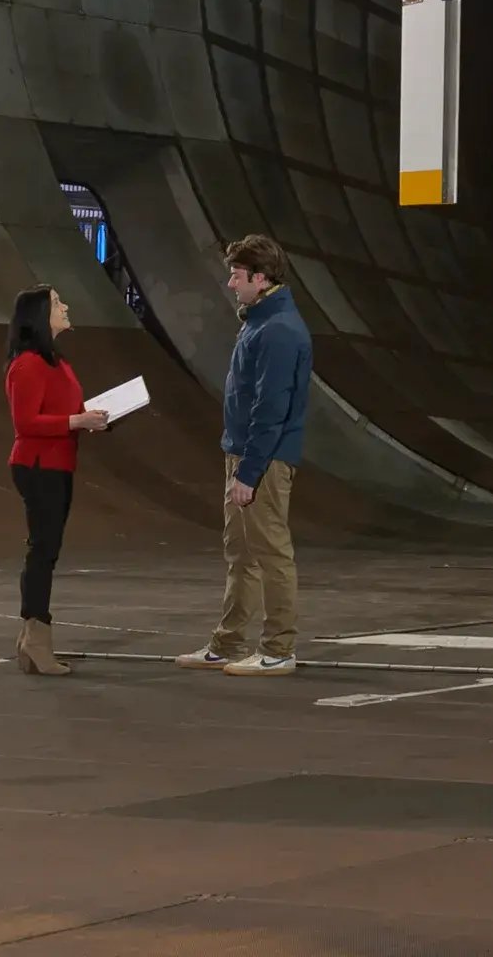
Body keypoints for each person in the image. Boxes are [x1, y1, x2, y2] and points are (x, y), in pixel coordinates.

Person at [175, 234, 312, 677]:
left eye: (236, 275)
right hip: (246, 456)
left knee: (270, 554)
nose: (230, 283)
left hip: (263, 461)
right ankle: (228, 644)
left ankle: (278, 650)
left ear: (260, 277)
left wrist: (249, 472)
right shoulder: (260, 321)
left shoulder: (277, 331)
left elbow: (271, 409)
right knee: (241, 553)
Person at [4, 286, 106, 676]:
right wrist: (77, 421)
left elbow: (67, 411)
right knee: (42, 551)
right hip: (37, 466)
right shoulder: (27, 364)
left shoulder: (56, 362)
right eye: (58, 303)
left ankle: (31, 640)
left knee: (47, 549)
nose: (66, 307)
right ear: (40, 315)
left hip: (59, 463)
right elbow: (26, 423)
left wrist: (91, 418)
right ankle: (36, 638)